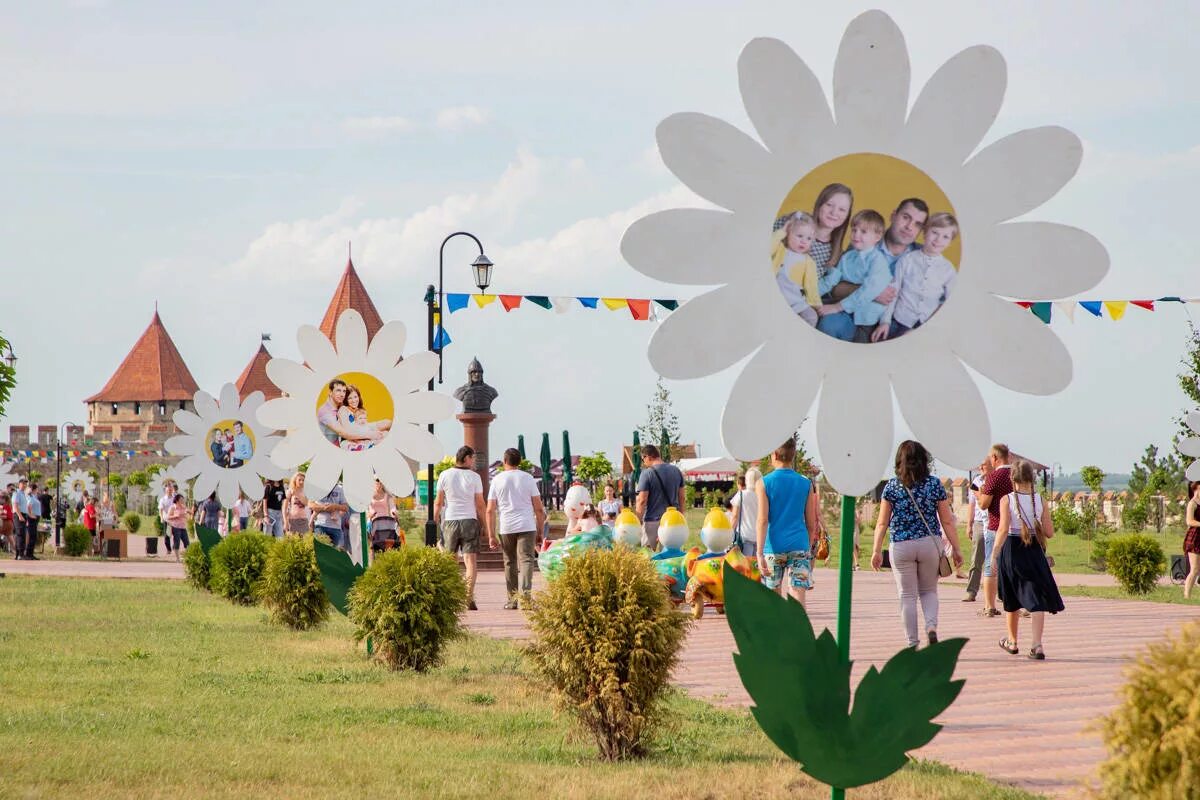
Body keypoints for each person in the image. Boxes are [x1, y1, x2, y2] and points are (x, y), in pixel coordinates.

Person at [871, 440, 964, 649]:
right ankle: (931, 627)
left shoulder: (892, 487)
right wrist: (956, 549)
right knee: (929, 591)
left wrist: (876, 550)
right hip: (929, 543)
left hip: (901, 545)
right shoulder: (934, 485)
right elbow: (947, 520)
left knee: (907, 595)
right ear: (924, 461)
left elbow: (882, 522)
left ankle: (912, 643)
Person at [995, 460, 1064, 660]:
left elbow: (1002, 529)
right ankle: (1037, 645)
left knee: (1011, 597)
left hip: (1011, 550)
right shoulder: (1040, 500)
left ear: (1012, 478)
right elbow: (1049, 532)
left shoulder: (1006, 500)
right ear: (1032, 478)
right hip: (1034, 551)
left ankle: (1012, 641)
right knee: (1037, 600)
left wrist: (994, 553)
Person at [873, 213, 959, 342]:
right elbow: (894, 291)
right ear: (924, 232)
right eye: (935, 232)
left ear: (950, 243)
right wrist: (885, 322)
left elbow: (950, 302)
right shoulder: (907, 260)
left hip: (927, 325)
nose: (938, 240)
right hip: (899, 320)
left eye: (945, 237)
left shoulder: (948, 270)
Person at [814, 210, 895, 342]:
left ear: (877, 236)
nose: (856, 235)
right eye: (854, 230)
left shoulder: (878, 261)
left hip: (867, 320)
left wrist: (837, 307)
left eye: (863, 232)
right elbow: (830, 280)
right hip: (846, 311)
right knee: (825, 323)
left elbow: (867, 291)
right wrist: (809, 296)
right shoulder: (847, 257)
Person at [755, 439, 818, 605]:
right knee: (798, 594)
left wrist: (759, 553)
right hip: (799, 545)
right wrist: (808, 548)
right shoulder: (806, 483)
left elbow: (762, 520)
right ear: (793, 454)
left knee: (772, 598)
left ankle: (775, 630)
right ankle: (798, 629)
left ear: (774, 454)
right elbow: (811, 524)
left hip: (772, 548)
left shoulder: (763, 483)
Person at [486, 448, 546, 610]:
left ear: (504, 461)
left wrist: (491, 535)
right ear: (519, 462)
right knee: (526, 560)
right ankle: (526, 598)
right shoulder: (528, 479)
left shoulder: (497, 480)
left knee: (509, 562)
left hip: (507, 526)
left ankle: (512, 600)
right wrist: (540, 531)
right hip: (527, 524)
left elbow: (490, 510)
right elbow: (539, 508)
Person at [435, 445, 486, 611]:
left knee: (450, 561)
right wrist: (485, 525)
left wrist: (435, 521)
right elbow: (480, 504)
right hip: (469, 520)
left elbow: (438, 502)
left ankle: (450, 596)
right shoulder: (474, 477)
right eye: (473, 458)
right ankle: (468, 597)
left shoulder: (444, 475)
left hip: (450, 520)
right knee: (470, 562)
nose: (474, 462)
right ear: (467, 458)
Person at [771, 211, 821, 325]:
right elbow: (767, 248)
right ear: (788, 233)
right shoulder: (780, 249)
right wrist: (782, 231)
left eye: (809, 238)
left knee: (812, 317)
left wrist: (816, 304)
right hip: (775, 296)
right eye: (799, 236)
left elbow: (811, 285)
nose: (804, 241)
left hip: (796, 302)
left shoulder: (808, 262)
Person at [635, 445, 686, 550]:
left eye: (642, 459)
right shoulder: (676, 471)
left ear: (648, 457)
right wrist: (681, 519)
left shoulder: (647, 473)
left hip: (652, 521)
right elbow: (682, 498)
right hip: (672, 522)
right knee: (670, 557)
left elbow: (642, 500)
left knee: (648, 557)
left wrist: (637, 521)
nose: (643, 463)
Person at [963, 461, 995, 609]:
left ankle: (1000, 592)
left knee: (997, 557)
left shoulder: (996, 479)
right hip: (979, 521)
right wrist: (968, 524)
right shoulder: (976, 482)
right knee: (976, 556)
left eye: (984, 465)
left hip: (994, 520)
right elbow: (972, 505)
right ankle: (971, 591)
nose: (981, 467)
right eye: (980, 465)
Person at [317, 379, 385, 448]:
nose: (342, 394)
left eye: (344, 391)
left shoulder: (341, 405)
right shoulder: (325, 411)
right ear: (330, 392)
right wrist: (369, 435)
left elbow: (355, 425)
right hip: (332, 447)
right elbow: (343, 433)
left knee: (385, 427)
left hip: (348, 440)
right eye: (338, 390)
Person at [876, 197, 928, 275]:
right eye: (905, 217)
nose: (909, 227)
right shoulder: (863, 243)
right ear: (893, 216)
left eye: (917, 224)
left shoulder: (926, 257)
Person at [336, 385, 391, 451]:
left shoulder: (359, 410)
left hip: (361, 431)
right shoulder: (343, 409)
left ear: (358, 397)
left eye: (355, 397)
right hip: (350, 437)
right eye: (349, 398)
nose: (354, 400)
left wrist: (373, 432)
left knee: (387, 424)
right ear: (345, 400)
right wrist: (369, 435)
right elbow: (347, 432)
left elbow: (364, 425)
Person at [731, 469, 762, 558]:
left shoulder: (741, 494)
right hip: (759, 537)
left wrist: (729, 534)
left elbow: (735, 516)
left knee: (745, 567)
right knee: (756, 568)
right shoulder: (762, 495)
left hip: (744, 537)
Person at [311, 483, 349, 550]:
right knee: (321, 551)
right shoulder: (318, 487)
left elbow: (346, 507)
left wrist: (334, 506)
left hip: (335, 527)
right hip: (321, 525)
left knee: (333, 553)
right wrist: (324, 507)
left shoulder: (340, 489)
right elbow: (311, 505)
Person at [367, 479, 400, 552]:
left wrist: (394, 513)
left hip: (386, 521)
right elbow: (368, 509)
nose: (379, 485)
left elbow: (392, 508)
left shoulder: (388, 497)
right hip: (373, 520)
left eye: (380, 483)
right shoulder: (368, 496)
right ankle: (372, 555)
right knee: (369, 531)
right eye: (377, 483)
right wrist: (370, 514)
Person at [1182, 481, 1200, 599]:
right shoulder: (1192, 503)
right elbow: (1189, 521)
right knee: (1194, 569)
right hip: (1195, 537)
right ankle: (1186, 595)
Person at [11, 478, 34, 560]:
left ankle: (18, 554)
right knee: (20, 534)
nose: (25, 485)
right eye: (23, 483)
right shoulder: (16, 493)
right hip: (18, 515)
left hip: (23, 515)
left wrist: (25, 516)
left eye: (26, 484)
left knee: (21, 534)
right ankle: (20, 554)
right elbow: (15, 505)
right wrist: (20, 516)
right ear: (19, 484)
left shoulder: (23, 493)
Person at [165, 493, 190, 560]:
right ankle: (177, 558)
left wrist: (187, 515)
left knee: (187, 543)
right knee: (177, 542)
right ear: (177, 500)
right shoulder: (173, 507)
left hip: (183, 527)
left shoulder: (184, 507)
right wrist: (175, 516)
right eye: (181, 499)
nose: (182, 500)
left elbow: (187, 516)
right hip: (176, 527)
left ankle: (187, 557)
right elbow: (168, 517)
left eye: (183, 499)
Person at [27, 484, 44, 555]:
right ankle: (29, 553)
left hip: (35, 517)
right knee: (32, 535)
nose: (38, 490)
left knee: (33, 536)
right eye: (37, 488)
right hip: (32, 518)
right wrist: (30, 514)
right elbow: (28, 505)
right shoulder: (31, 497)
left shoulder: (34, 496)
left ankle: (31, 553)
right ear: (35, 489)